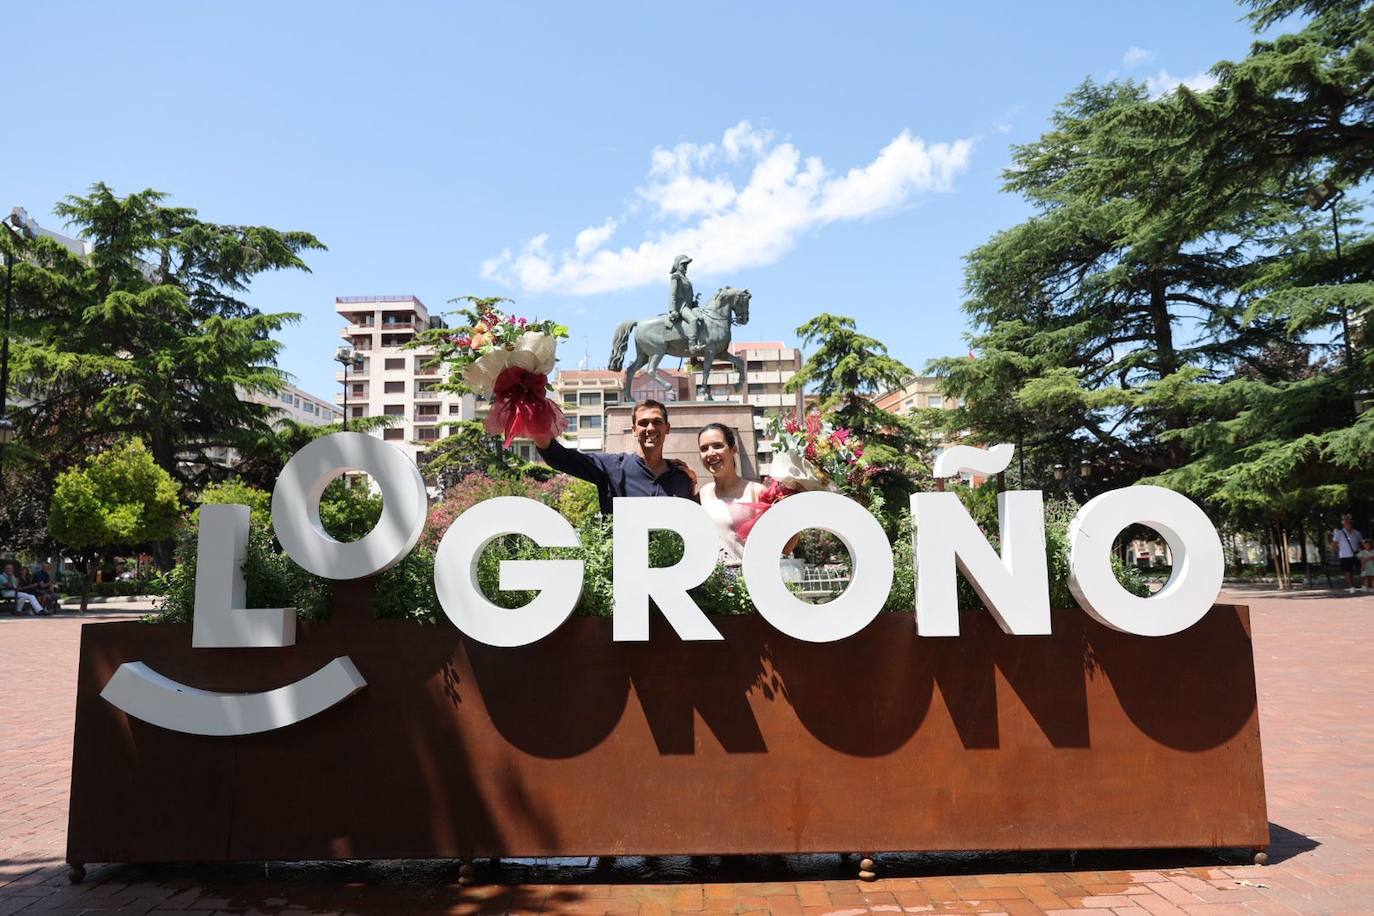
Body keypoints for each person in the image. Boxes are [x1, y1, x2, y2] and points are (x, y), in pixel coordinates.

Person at [533, 399, 695, 515]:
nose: (650, 428)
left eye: (657, 422)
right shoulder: (612, 467)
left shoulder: (681, 476)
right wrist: (534, 413)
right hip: (621, 562)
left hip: (671, 563)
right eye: (643, 423)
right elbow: (559, 456)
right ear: (633, 430)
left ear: (667, 428)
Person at [696, 423, 768, 567]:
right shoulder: (703, 493)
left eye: (717, 446)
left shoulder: (757, 491)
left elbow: (776, 543)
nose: (710, 453)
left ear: (733, 449)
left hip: (748, 580)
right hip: (713, 582)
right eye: (704, 448)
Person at [667, 254, 701, 354]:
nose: (685, 267)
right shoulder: (676, 276)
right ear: (678, 265)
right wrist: (672, 310)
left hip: (689, 306)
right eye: (683, 264)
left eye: (686, 264)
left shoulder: (685, 278)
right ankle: (692, 345)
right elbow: (672, 295)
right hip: (681, 306)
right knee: (693, 319)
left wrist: (694, 303)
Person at [1331, 514, 1365, 592]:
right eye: (1346, 522)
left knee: (1361, 569)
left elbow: (1362, 542)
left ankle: (1363, 585)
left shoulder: (1356, 532)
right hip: (1345, 555)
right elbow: (1334, 544)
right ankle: (1351, 587)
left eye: (1349, 522)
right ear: (1344, 523)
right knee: (1348, 571)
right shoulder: (1339, 533)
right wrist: (1337, 552)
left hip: (1356, 554)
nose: (1348, 523)